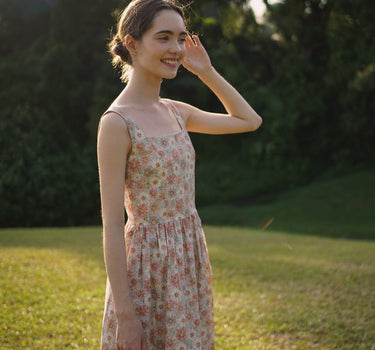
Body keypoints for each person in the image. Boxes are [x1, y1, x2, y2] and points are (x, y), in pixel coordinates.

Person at [97, 0, 262, 349]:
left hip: (188, 262)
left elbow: (249, 121)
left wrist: (206, 71)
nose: (176, 49)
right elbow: (112, 224)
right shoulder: (116, 123)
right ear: (132, 43)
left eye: (181, 38)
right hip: (146, 272)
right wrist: (126, 315)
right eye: (164, 38)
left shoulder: (176, 112)